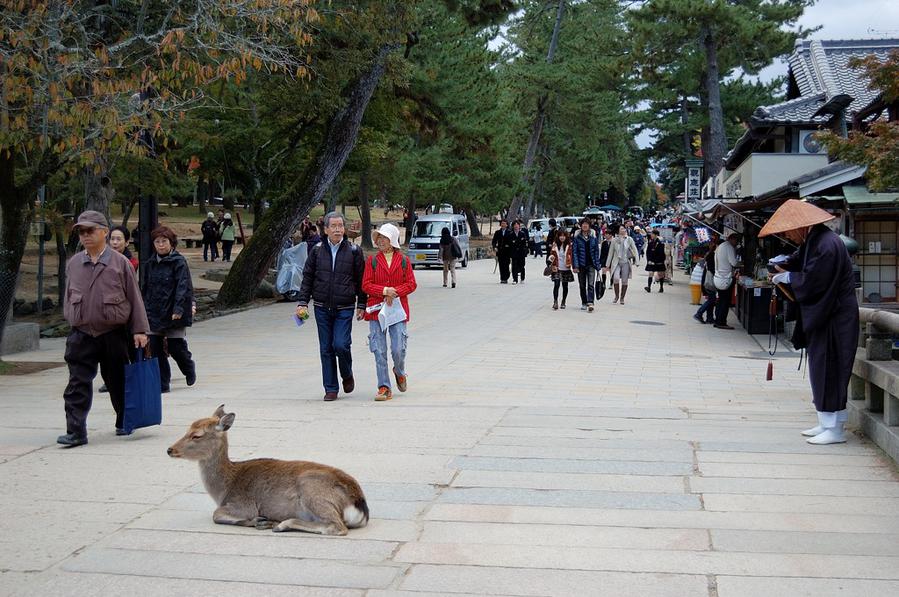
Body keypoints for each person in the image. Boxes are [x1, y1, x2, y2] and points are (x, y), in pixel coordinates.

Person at [762, 200, 859, 445]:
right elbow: (798, 261)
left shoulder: (826, 244)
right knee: (821, 367)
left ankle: (835, 429)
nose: (787, 235)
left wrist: (789, 276)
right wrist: (782, 264)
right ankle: (827, 421)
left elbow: (815, 280)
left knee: (831, 368)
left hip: (835, 316)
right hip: (827, 314)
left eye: (788, 231)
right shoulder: (814, 241)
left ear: (801, 226)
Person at [57, 210, 150, 447]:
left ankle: (124, 420)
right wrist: (71, 318)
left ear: (104, 232)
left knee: (118, 381)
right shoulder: (74, 263)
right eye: (81, 231)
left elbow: (134, 297)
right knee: (77, 383)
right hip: (82, 334)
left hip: (113, 334)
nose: (85, 235)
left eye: (90, 230)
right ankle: (76, 431)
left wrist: (139, 329)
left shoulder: (121, 264)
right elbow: (68, 295)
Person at [296, 212, 366, 401]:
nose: (337, 229)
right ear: (325, 229)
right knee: (326, 348)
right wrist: (303, 302)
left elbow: (361, 280)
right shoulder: (317, 250)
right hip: (321, 307)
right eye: (333, 226)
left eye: (340, 226)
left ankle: (347, 374)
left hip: (345, 307)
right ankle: (331, 388)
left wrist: (363, 304)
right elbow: (308, 277)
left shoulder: (354, 251)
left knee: (341, 345)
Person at [361, 223, 417, 401]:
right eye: (378, 238)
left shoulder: (403, 261)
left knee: (398, 348)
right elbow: (366, 284)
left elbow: (411, 283)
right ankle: (384, 386)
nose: (380, 241)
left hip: (397, 310)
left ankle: (399, 371)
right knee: (379, 349)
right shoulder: (372, 261)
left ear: (392, 240)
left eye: (384, 237)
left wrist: (396, 292)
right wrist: (385, 291)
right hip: (376, 310)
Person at [142, 226, 197, 393]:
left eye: (164, 241)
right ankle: (163, 383)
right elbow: (144, 288)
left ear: (171, 243)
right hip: (154, 310)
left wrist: (179, 309)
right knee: (155, 347)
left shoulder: (179, 262)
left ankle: (188, 367)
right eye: (157, 242)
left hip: (174, 310)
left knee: (175, 347)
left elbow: (183, 287)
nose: (160, 245)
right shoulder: (150, 263)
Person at [572, 218, 601, 312]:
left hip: (591, 264)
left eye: (586, 224)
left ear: (589, 226)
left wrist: (597, 265)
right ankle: (584, 302)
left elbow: (596, 252)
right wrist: (575, 266)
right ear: (581, 226)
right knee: (582, 285)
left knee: (591, 284)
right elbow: (574, 253)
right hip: (581, 265)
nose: (585, 226)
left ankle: (590, 302)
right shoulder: (577, 238)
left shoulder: (593, 238)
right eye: (583, 224)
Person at [713, 233, 741, 329]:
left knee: (720, 300)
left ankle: (717, 320)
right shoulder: (729, 247)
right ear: (732, 239)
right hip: (725, 278)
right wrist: (741, 264)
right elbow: (733, 262)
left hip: (718, 276)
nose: (736, 243)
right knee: (725, 301)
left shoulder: (721, 246)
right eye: (737, 241)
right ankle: (721, 322)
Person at [606, 224, 638, 305]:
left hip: (626, 262)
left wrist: (637, 261)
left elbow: (635, 249)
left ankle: (622, 298)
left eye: (624, 228)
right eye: (622, 229)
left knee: (624, 281)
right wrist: (607, 264)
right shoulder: (614, 240)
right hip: (616, 262)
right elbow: (611, 253)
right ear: (618, 231)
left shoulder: (629, 239)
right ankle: (616, 296)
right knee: (616, 278)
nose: (624, 230)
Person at [548, 228, 574, 310]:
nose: (562, 237)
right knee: (556, 284)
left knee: (565, 286)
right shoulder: (555, 244)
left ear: (566, 237)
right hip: (557, 267)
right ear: (558, 236)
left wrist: (573, 264)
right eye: (560, 236)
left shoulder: (569, 245)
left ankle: (563, 301)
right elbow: (551, 254)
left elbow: (572, 255)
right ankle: (555, 302)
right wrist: (551, 259)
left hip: (566, 268)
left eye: (564, 236)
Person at [694, 240, 718, 324]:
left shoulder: (709, 254)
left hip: (706, 279)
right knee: (712, 299)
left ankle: (710, 318)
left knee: (711, 298)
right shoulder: (712, 255)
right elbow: (712, 269)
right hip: (709, 280)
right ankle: (699, 313)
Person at [491, 219, 514, 284]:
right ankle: (502, 278)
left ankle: (507, 275)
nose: (503, 225)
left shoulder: (510, 232)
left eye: (504, 223)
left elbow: (512, 241)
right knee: (501, 265)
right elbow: (494, 241)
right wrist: (494, 247)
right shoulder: (497, 232)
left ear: (507, 225)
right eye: (502, 223)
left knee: (506, 264)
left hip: (507, 251)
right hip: (500, 251)